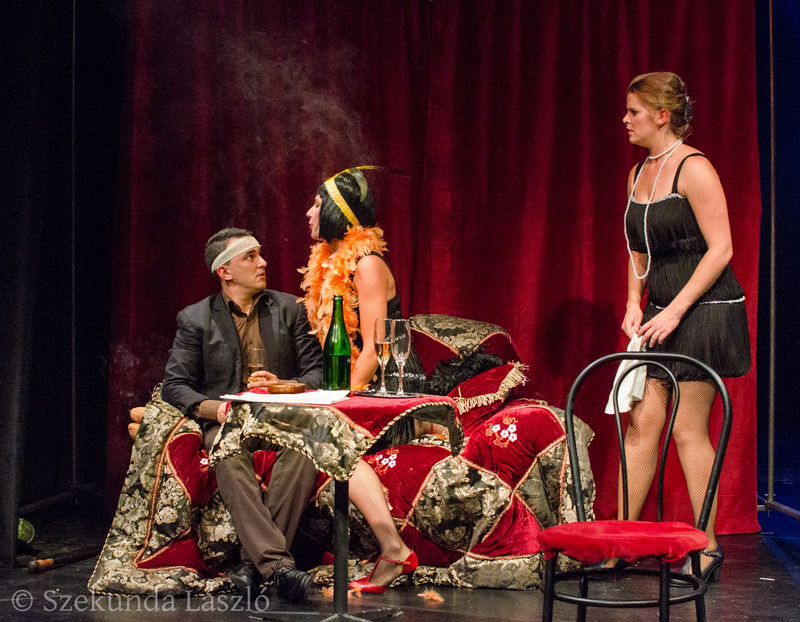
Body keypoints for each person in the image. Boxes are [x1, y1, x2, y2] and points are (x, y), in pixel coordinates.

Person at [617, 72, 750, 582]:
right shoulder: (638, 172)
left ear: (661, 115)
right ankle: (619, 542)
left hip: (705, 308)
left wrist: (675, 310)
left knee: (687, 429)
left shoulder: (694, 168)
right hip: (661, 310)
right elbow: (638, 249)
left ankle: (708, 546)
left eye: (634, 111)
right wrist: (635, 301)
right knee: (641, 426)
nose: (626, 119)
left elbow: (722, 248)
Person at [161, 227, 323, 602]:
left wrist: (285, 385)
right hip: (227, 423)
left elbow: (316, 372)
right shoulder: (196, 319)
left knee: (306, 451)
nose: (263, 262)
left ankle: (255, 565)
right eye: (250, 257)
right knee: (228, 454)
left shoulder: (291, 309)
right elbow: (175, 384)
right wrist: (215, 409)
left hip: (281, 419)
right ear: (225, 271)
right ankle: (279, 568)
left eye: (260, 254)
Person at [299, 168, 428, 592]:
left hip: (392, 388)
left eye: (317, 204)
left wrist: (339, 402)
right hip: (358, 385)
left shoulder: (368, 264)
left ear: (337, 211)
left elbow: (374, 351)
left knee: (334, 440)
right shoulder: (327, 266)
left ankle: (394, 550)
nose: (309, 213)